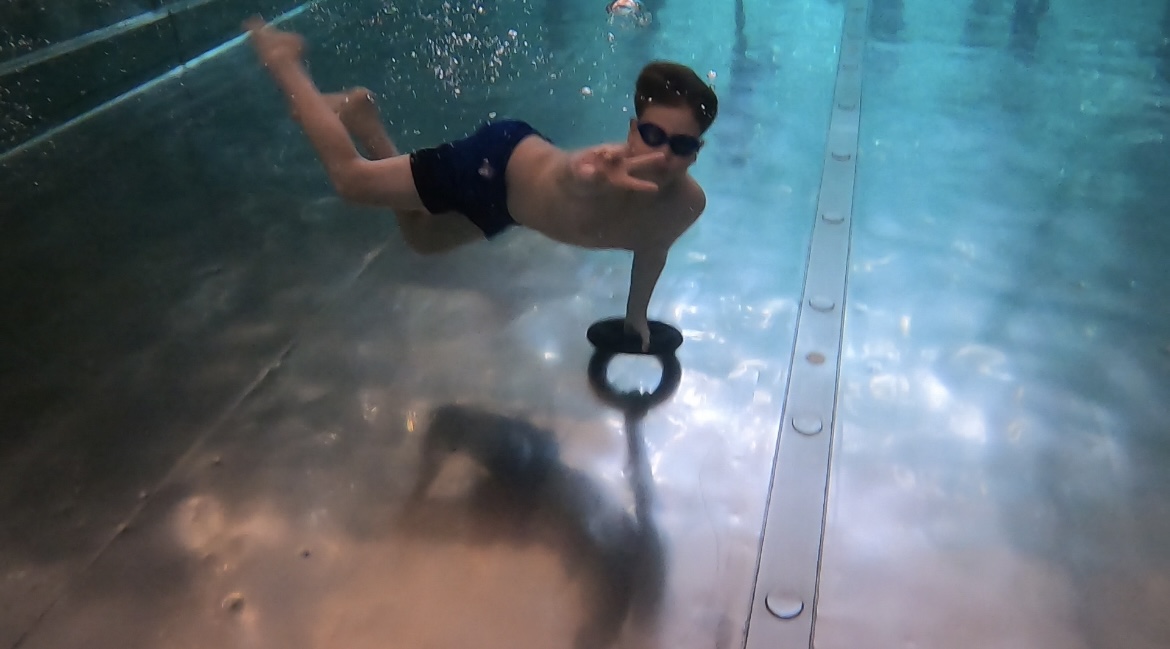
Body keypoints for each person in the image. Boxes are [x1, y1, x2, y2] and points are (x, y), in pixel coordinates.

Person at [243, 17, 718, 351]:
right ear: (633, 131)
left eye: (682, 145)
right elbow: (575, 176)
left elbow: (652, 251)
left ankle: (365, 118)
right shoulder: (599, 167)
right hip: (495, 162)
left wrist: (636, 317)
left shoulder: (686, 205)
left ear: (697, 150)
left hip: (512, 206)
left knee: (422, 238)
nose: (664, 155)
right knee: (352, 180)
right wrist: (583, 175)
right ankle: (285, 61)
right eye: (653, 136)